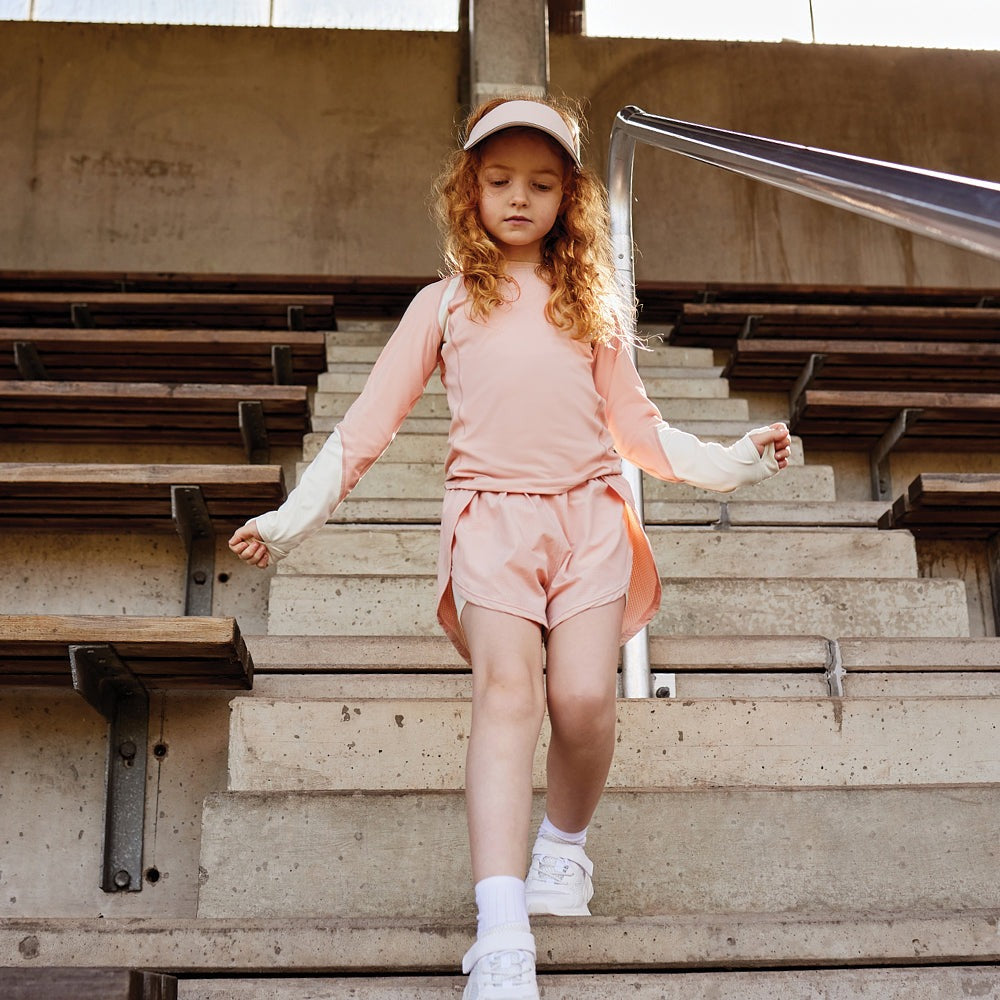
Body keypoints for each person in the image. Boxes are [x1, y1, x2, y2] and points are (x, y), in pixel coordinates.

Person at [229, 96, 791, 1000]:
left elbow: (640, 432)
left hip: (590, 517)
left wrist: (736, 461)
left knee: (581, 700)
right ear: (469, 190)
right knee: (507, 693)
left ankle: (563, 851)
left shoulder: (592, 308)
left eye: (540, 183)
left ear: (570, 197)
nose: (519, 198)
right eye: (499, 181)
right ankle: (499, 935)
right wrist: (290, 520)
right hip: (490, 518)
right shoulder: (442, 304)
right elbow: (366, 428)